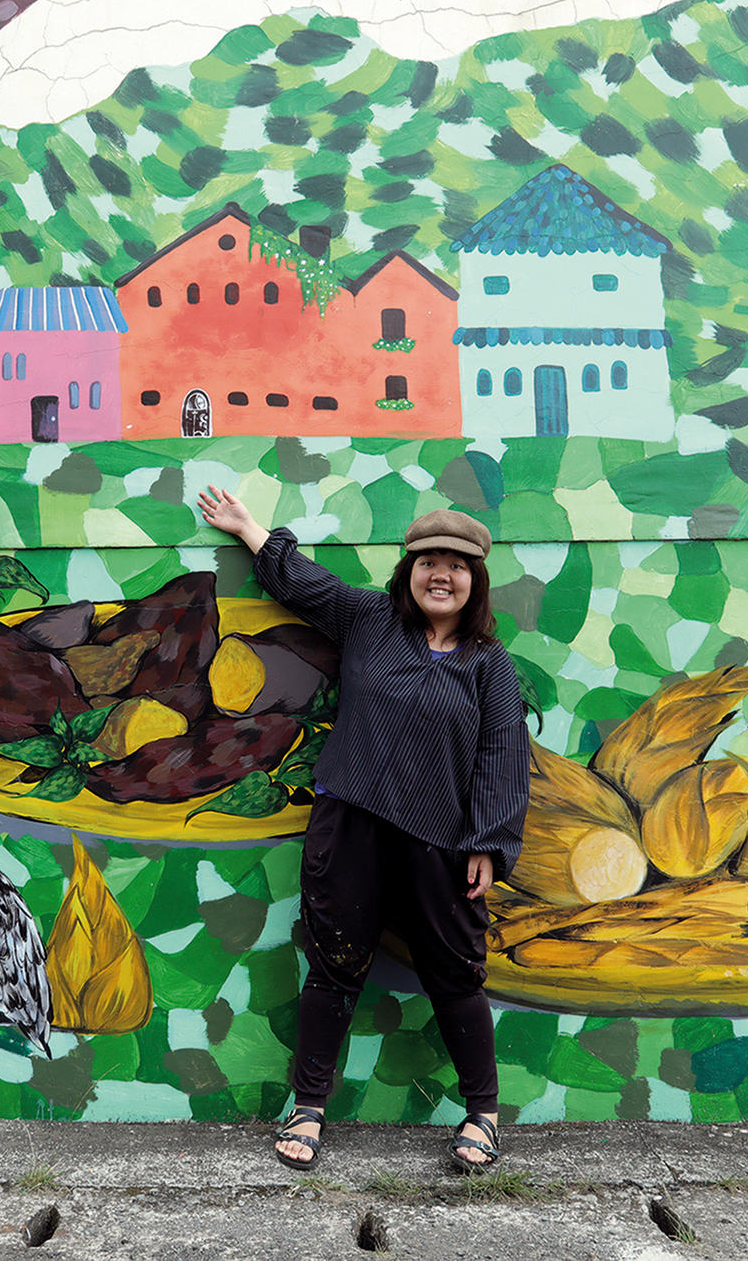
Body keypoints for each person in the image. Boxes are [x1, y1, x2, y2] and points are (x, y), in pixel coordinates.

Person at [195, 487, 530, 1175]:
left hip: (442, 842)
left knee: (455, 973)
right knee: (335, 966)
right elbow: (302, 583)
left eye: (457, 565)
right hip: (350, 824)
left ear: (475, 580)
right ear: (409, 571)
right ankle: (309, 1106)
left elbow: (502, 752)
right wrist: (249, 528)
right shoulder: (370, 618)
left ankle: (484, 1114)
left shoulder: (489, 663)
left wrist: (490, 844)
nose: (441, 575)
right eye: (429, 562)